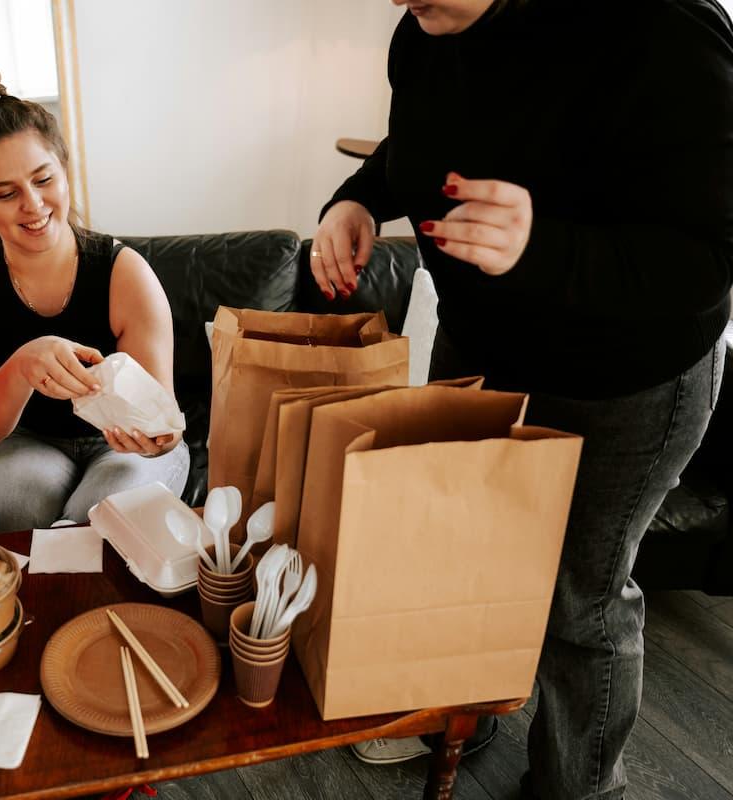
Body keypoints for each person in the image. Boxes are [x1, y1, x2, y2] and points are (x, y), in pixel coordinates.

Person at [313, 0, 733, 796]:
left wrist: (547, 248)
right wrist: (358, 197)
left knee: (583, 604)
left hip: (627, 380)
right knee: (461, 555)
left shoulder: (665, 29)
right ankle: (465, 724)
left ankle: (577, 785)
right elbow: (418, 149)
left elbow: (709, 261)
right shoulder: (422, 33)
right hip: (484, 350)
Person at [0, 69, 189, 533]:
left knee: (99, 520)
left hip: (118, 447)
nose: (32, 204)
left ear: (64, 169)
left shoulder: (124, 273)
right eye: (5, 194)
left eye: (43, 179)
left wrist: (157, 438)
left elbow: (161, 419)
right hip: (25, 442)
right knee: (10, 518)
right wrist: (23, 366)